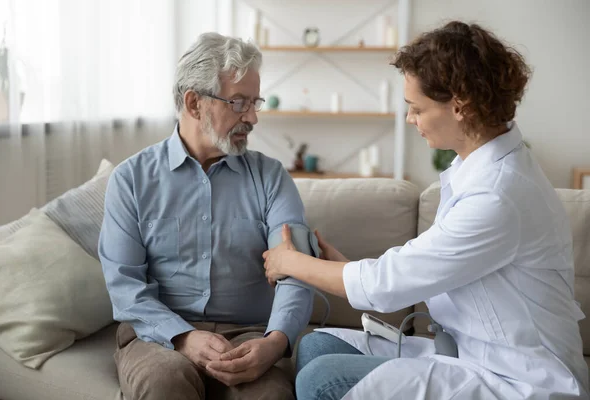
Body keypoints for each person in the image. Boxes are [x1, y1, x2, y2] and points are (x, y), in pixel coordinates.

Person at [263, 21, 589, 400]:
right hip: (470, 355)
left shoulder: (498, 196)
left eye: (416, 108)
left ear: (459, 105)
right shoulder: (479, 170)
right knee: (316, 346)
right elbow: (425, 269)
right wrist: (341, 267)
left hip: (521, 379)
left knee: (323, 379)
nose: (409, 119)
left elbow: (386, 284)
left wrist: (288, 262)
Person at [99, 32, 317, 400]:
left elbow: (297, 269)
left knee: (270, 396)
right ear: (194, 103)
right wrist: (182, 336)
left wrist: (276, 341)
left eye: (255, 102)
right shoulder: (131, 180)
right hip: (159, 336)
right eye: (238, 102)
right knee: (163, 383)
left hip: (250, 334)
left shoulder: (271, 178)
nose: (252, 117)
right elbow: (124, 285)